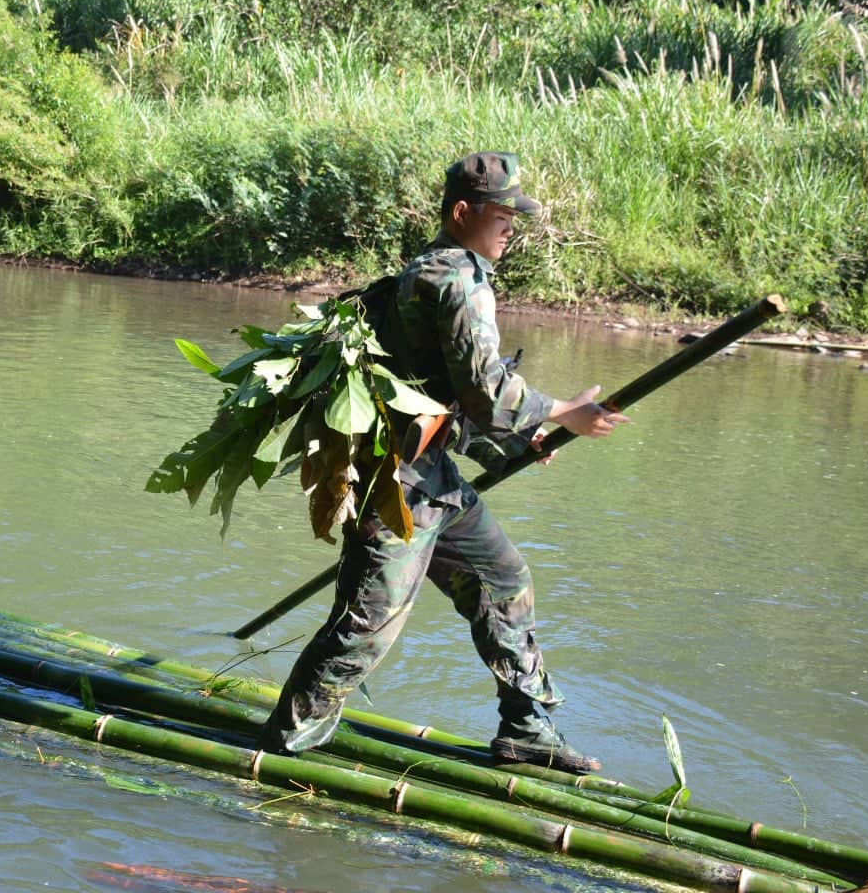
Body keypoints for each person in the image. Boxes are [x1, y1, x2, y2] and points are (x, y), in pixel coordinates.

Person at [258, 151, 628, 773]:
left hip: (433, 478)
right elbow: (486, 392)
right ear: (463, 213)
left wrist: (515, 442)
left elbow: (441, 396)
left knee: (502, 579)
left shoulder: (436, 271)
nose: (513, 225)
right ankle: (280, 751)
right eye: (502, 213)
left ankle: (527, 728)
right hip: (396, 487)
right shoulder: (457, 279)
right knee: (365, 628)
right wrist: (564, 412)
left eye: (517, 213)